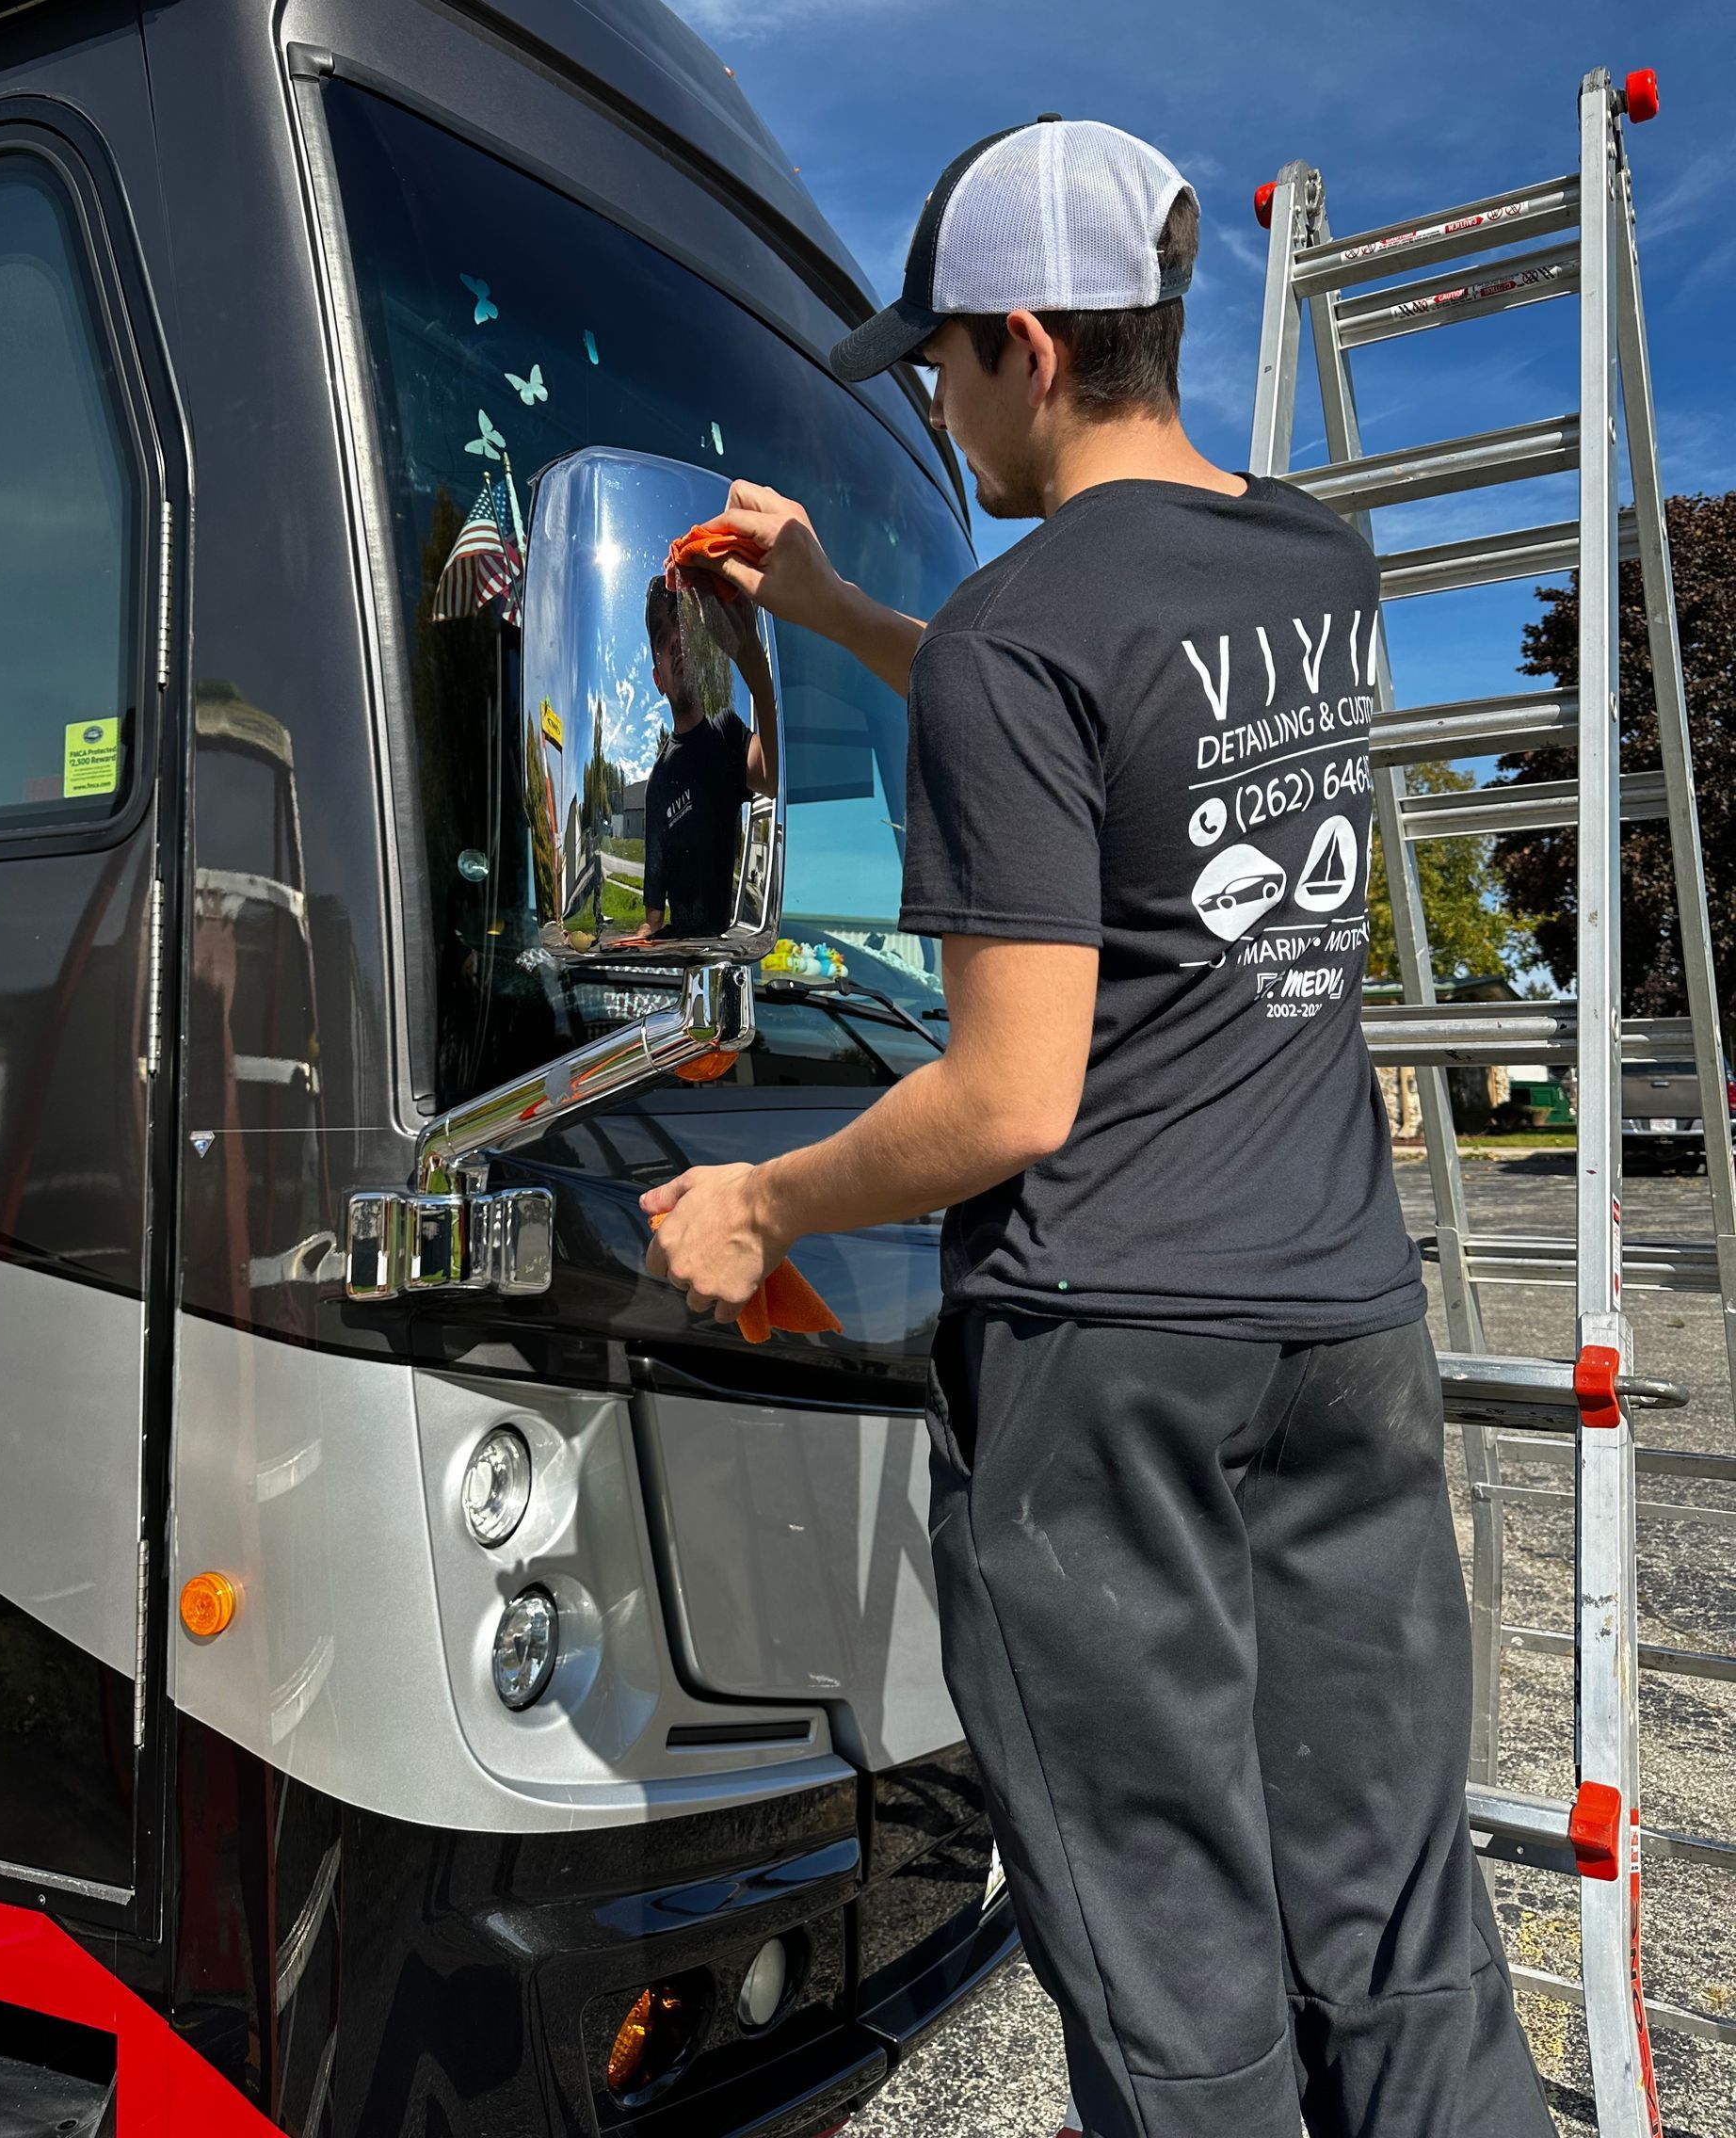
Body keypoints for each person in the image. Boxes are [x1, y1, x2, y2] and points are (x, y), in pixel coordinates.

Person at [640, 119, 1555, 2138]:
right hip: (1343, 1329)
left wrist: (756, 1195)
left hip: (1114, 1366)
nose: (942, 408)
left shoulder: (1022, 630)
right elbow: (1102, 707)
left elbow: (1007, 1095)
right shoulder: (1319, 554)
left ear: (1029, 348)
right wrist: (857, 614)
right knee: (1396, 1926)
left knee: (1178, 1969)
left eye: (944, 366)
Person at [635, 573, 776, 941]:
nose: (675, 642)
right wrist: (635, 942)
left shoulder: (725, 731)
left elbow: (772, 778)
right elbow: (652, 917)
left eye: (679, 623)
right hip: (682, 962)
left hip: (735, 952)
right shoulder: (657, 785)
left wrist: (755, 668)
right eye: (661, 639)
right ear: (657, 679)